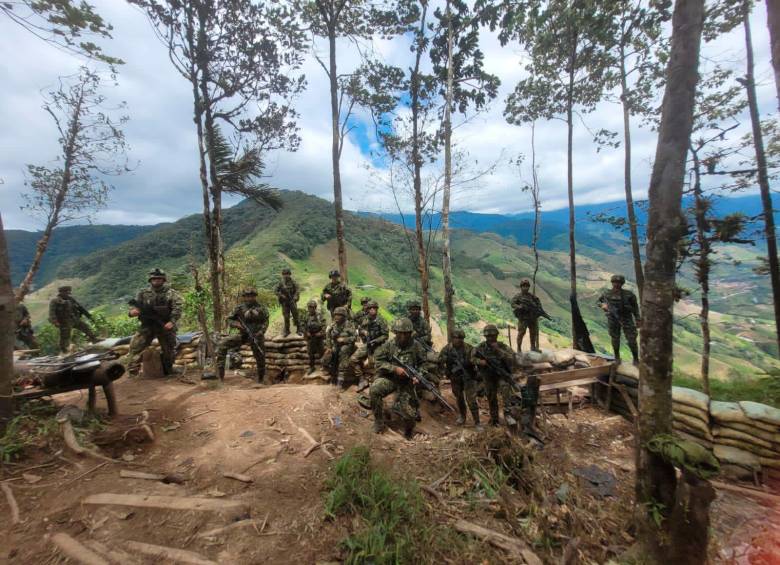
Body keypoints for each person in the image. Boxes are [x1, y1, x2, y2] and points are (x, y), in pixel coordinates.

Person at [370, 317, 429, 438]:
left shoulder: (416, 346)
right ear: (395, 332)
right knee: (375, 390)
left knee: (410, 415)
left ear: (410, 333)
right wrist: (394, 368)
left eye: (406, 334)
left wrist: (419, 375)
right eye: (400, 333)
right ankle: (379, 421)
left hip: (407, 382)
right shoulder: (389, 345)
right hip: (391, 379)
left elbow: (424, 364)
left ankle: (408, 431)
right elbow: (378, 362)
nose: (403, 336)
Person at [127, 269, 183, 376]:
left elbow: (178, 308)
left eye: (159, 279)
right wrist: (132, 313)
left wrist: (172, 321)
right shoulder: (143, 293)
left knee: (169, 348)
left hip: (164, 325)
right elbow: (133, 308)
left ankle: (169, 370)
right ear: (150, 280)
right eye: (154, 279)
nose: (156, 281)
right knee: (136, 346)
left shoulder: (171, 293)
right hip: (147, 325)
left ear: (163, 280)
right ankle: (133, 371)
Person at [215, 288, 269, 382]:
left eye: (251, 296)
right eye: (247, 296)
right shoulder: (239, 308)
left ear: (255, 297)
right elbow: (229, 319)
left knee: (260, 355)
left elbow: (266, 321)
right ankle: (220, 376)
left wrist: (261, 332)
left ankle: (261, 378)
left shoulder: (261, 308)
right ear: (244, 297)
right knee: (222, 344)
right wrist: (237, 324)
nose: (249, 298)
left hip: (257, 335)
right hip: (243, 335)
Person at [471, 324, 515, 427]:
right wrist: (480, 361)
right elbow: (471, 358)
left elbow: (513, 359)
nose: (491, 338)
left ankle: (508, 415)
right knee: (491, 396)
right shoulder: (480, 347)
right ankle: (494, 419)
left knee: (506, 392)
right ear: (485, 337)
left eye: (493, 336)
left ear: (496, 335)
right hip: (488, 376)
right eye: (488, 336)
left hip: (501, 375)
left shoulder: (503, 346)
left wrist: (499, 351)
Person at [438, 328, 479, 427]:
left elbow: (476, 360)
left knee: (471, 400)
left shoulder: (469, 348)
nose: (458, 340)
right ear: (452, 338)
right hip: (455, 377)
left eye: (461, 338)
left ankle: (477, 421)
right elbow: (439, 360)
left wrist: (470, 363)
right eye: (456, 338)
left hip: (468, 377)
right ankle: (462, 416)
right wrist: (447, 364)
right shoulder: (447, 348)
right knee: (459, 398)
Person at [598, 274, 641, 365]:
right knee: (615, 338)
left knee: (631, 339)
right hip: (613, 319)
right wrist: (603, 305)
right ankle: (617, 358)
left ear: (622, 284)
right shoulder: (606, 293)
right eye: (615, 282)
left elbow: (635, 308)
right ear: (612, 283)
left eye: (619, 283)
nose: (617, 284)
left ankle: (636, 359)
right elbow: (599, 301)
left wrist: (638, 319)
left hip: (626, 319)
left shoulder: (629, 294)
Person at [350, 301, 389, 390]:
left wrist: (376, 341)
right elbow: (360, 329)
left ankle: (374, 383)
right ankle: (362, 379)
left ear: (376, 309)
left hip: (379, 345)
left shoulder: (381, 320)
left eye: (374, 308)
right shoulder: (366, 319)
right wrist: (363, 332)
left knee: (376, 363)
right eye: (370, 308)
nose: (372, 310)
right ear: (367, 310)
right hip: (368, 344)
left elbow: (385, 335)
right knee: (353, 359)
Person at [49, 285, 99, 353]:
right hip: (64, 322)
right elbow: (52, 313)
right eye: (66, 293)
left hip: (74, 319)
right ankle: (64, 350)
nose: (68, 294)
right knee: (65, 337)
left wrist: (89, 316)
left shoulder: (71, 299)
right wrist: (55, 322)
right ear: (61, 292)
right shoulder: (55, 301)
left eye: (68, 293)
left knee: (85, 327)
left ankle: (94, 339)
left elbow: (80, 308)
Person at [323, 306, 357, 387]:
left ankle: (340, 382)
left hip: (347, 346)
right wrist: (329, 347)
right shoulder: (333, 325)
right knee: (330, 355)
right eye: (335, 315)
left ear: (344, 316)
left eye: (339, 315)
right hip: (336, 345)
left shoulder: (349, 324)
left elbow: (355, 337)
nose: (336, 317)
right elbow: (328, 336)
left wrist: (344, 340)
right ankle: (332, 376)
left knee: (343, 352)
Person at [511, 279, 544, 352]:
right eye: (524, 286)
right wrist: (519, 307)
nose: (525, 288)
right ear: (521, 287)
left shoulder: (532, 296)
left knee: (533, 333)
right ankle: (519, 349)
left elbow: (538, 302)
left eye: (527, 286)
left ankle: (533, 347)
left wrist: (538, 310)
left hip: (532, 318)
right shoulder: (518, 296)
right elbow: (512, 304)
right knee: (521, 333)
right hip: (523, 318)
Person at [301, 299, 326, 374]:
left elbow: (324, 326)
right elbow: (302, 326)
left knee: (321, 352)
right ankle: (312, 367)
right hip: (310, 337)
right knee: (310, 353)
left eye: (313, 307)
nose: (311, 309)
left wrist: (321, 333)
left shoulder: (319, 316)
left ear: (315, 307)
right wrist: (306, 332)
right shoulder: (305, 316)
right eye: (310, 307)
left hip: (318, 337)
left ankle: (324, 366)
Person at [275, 267, 301, 336]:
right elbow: (275, 291)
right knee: (286, 317)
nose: (286, 275)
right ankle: (287, 330)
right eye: (284, 274)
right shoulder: (281, 283)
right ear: (282, 275)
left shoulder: (293, 282)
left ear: (290, 274)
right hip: (285, 302)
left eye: (287, 274)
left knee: (296, 315)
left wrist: (295, 296)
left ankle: (299, 329)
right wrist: (281, 295)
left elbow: (298, 289)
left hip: (292, 301)